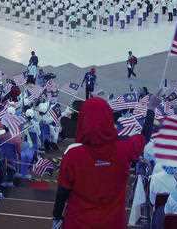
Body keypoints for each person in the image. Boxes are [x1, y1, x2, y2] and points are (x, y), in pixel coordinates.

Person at [52, 93, 159, 229]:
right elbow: (145, 137)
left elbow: (62, 193)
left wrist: (56, 217)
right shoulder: (124, 149)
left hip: (78, 222)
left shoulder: (73, 155)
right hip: (113, 223)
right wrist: (151, 109)